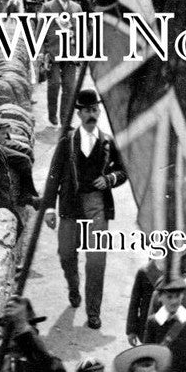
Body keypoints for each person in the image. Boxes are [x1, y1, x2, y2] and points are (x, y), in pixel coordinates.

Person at [40, 88, 128, 330]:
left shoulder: (108, 141)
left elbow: (123, 171)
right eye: (87, 110)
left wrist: (109, 179)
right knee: (67, 255)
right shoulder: (67, 142)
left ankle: (93, 312)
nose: (92, 114)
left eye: (95, 109)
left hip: (97, 206)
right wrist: (48, 208)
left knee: (96, 261)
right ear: (79, 114)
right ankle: (73, 286)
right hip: (70, 205)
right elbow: (53, 175)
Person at [39, 0, 82, 125]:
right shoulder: (48, 7)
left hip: (71, 53)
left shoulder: (76, 7)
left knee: (70, 87)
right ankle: (52, 113)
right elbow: (40, 32)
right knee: (54, 84)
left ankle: (64, 118)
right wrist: (41, 53)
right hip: (53, 53)